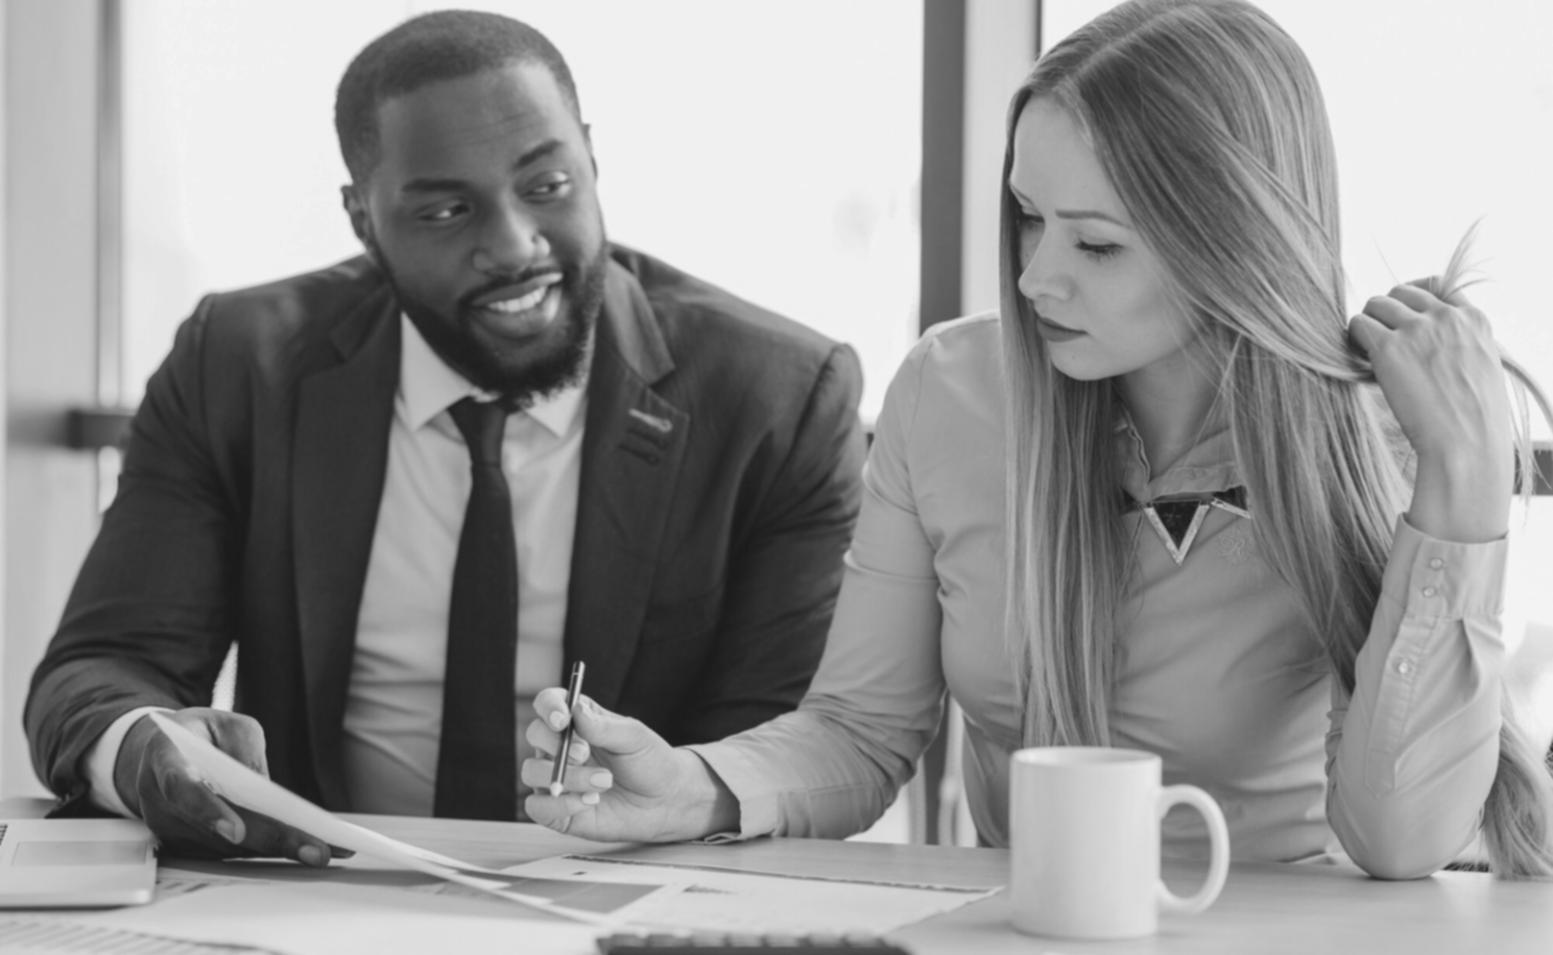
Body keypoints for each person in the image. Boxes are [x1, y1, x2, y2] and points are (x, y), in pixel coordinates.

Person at [519, 0, 1553, 880]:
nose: (1032, 279)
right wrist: (695, 787)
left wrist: (1461, 491)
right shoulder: (949, 389)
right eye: (1025, 216)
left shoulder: (1374, 431)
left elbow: (1399, 839)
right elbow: (861, 729)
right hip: (1027, 932)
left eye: (1095, 243)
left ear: (1231, 239)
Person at [24, 10, 864, 866]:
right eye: (447, 210)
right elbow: (103, 667)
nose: (513, 246)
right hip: (315, 899)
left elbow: (782, 753)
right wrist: (141, 746)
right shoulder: (239, 364)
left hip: (627, 898)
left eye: (546, 186)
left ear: (591, 160)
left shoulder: (776, 400)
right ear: (363, 219)